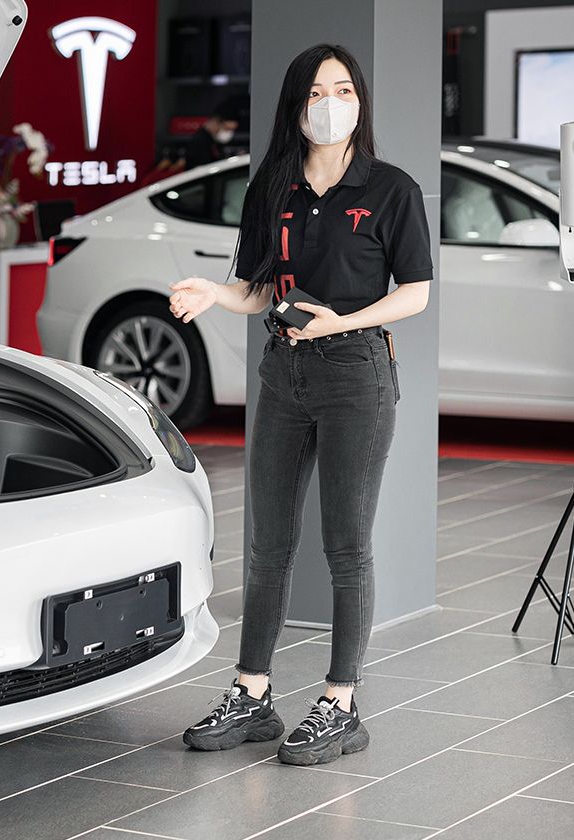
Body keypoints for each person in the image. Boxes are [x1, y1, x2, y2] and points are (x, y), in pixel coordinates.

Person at [167, 44, 431, 767]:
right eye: (317, 91)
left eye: (344, 89)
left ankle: (341, 702)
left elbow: (416, 291)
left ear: (359, 102)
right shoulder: (274, 188)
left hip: (357, 376)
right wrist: (213, 293)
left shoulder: (391, 190)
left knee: (347, 546)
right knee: (269, 544)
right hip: (283, 375)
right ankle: (251, 695)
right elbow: (259, 289)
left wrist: (340, 323)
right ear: (296, 105)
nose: (331, 102)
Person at [183, 99, 242, 170]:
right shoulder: (200, 142)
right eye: (227, 129)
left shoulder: (214, 142)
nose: (229, 133)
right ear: (216, 121)